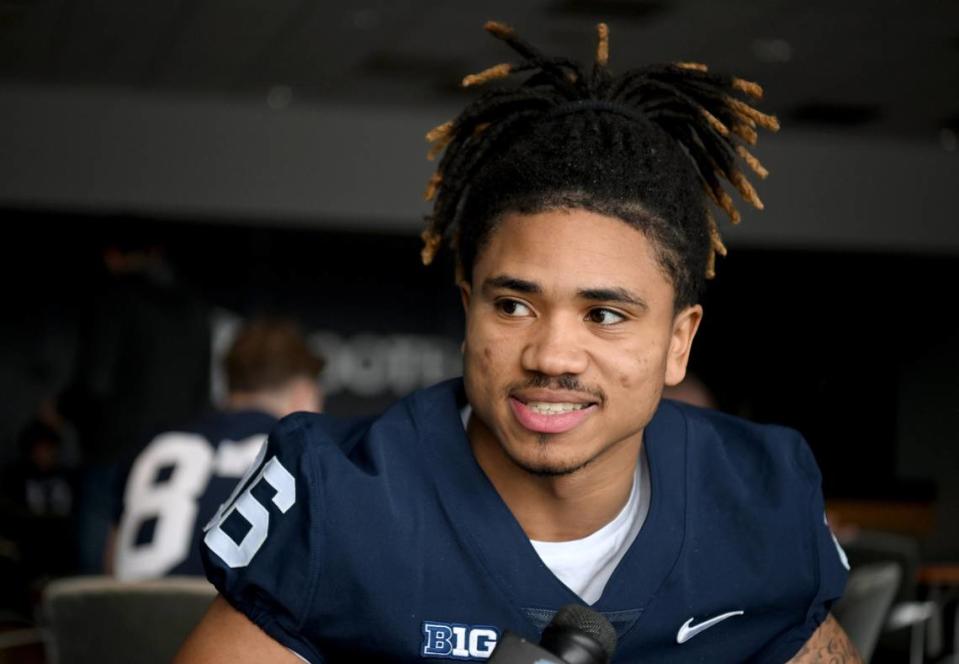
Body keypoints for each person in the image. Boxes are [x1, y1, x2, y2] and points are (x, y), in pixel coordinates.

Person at [176, 22, 857, 663]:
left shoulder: (757, 501)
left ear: (679, 342)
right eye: (513, 304)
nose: (552, 356)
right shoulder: (339, 501)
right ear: (469, 311)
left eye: (605, 315)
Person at [111, 319, 324, 580]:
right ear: (303, 392)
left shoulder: (155, 445)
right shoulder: (302, 454)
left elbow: (111, 562)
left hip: (127, 615)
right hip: (221, 618)